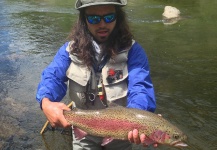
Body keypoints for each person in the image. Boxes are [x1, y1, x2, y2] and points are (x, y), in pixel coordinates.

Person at [36, 0, 156, 149]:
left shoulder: (133, 52)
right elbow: (52, 76)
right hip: (83, 131)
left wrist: (139, 118)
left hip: (121, 134)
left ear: (118, 17)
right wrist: (46, 102)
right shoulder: (69, 50)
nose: (102, 24)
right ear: (84, 20)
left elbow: (141, 88)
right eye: (94, 18)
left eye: (109, 17)